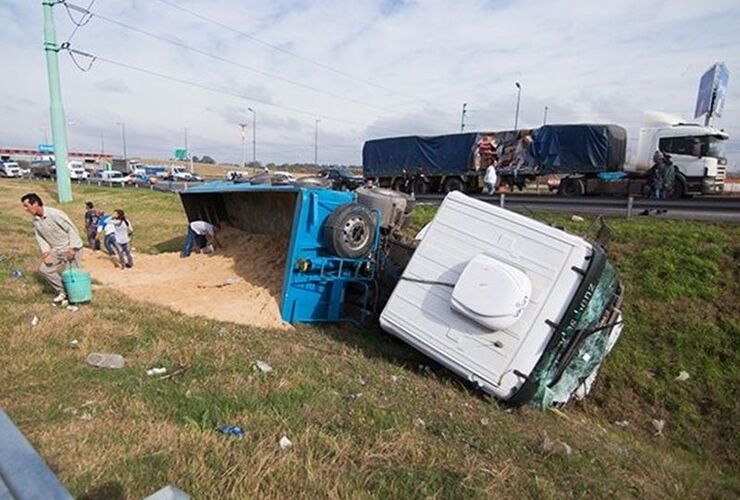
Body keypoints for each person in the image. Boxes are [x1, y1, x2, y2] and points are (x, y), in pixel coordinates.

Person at [21, 192, 84, 303]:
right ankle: (62, 291)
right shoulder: (36, 220)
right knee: (45, 270)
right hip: (56, 249)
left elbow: (71, 229)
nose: (25, 209)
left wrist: (73, 248)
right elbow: (40, 237)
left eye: (27, 206)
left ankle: (77, 298)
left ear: (35, 203)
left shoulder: (55, 214)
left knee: (71, 274)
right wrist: (46, 253)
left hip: (70, 247)